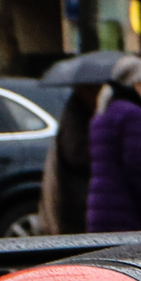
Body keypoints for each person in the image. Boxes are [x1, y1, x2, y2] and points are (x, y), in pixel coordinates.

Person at [86, 55, 141, 232]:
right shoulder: (132, 114)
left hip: (100, 208)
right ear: (135, 83)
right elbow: (138, 165)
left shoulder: (102, 112)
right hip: (126, 210)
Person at [39, 82, 98, 234]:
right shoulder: (75, 115)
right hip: (74, 201)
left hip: (77, 200)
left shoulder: (82, 113)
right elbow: (75, 155)